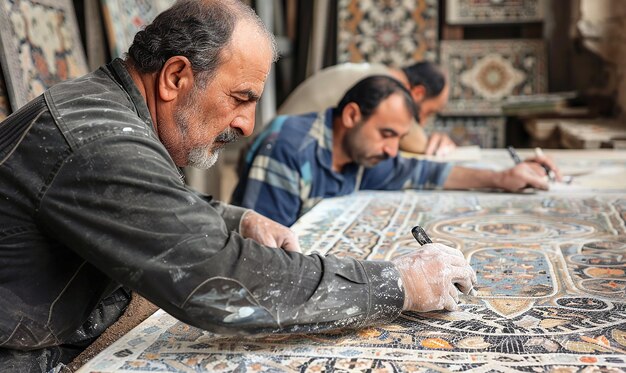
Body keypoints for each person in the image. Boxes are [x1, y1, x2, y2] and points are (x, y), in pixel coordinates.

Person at [0, 1, 476, 371]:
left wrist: (238, 218)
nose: (248, 124)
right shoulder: (100, 141)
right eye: (241, 98)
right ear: (175, 77)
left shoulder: (108, 112)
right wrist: (399, 284)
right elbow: (221, 283)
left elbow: (153, 200)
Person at [232, 75, 561, 227]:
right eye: (387, 134)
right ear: (351, 116)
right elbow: (259, 248)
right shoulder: (289, 148)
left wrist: (503, 178)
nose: (392, 150)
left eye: (398, 138)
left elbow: (423, 172)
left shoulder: (362, 152)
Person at [278, 61, 455, 155]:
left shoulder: (375, 72)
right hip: (280, 152)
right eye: (429, 112)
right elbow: (420, 145)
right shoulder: (387, 89)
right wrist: (436, 143)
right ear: (417, 93)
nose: (423, 123)